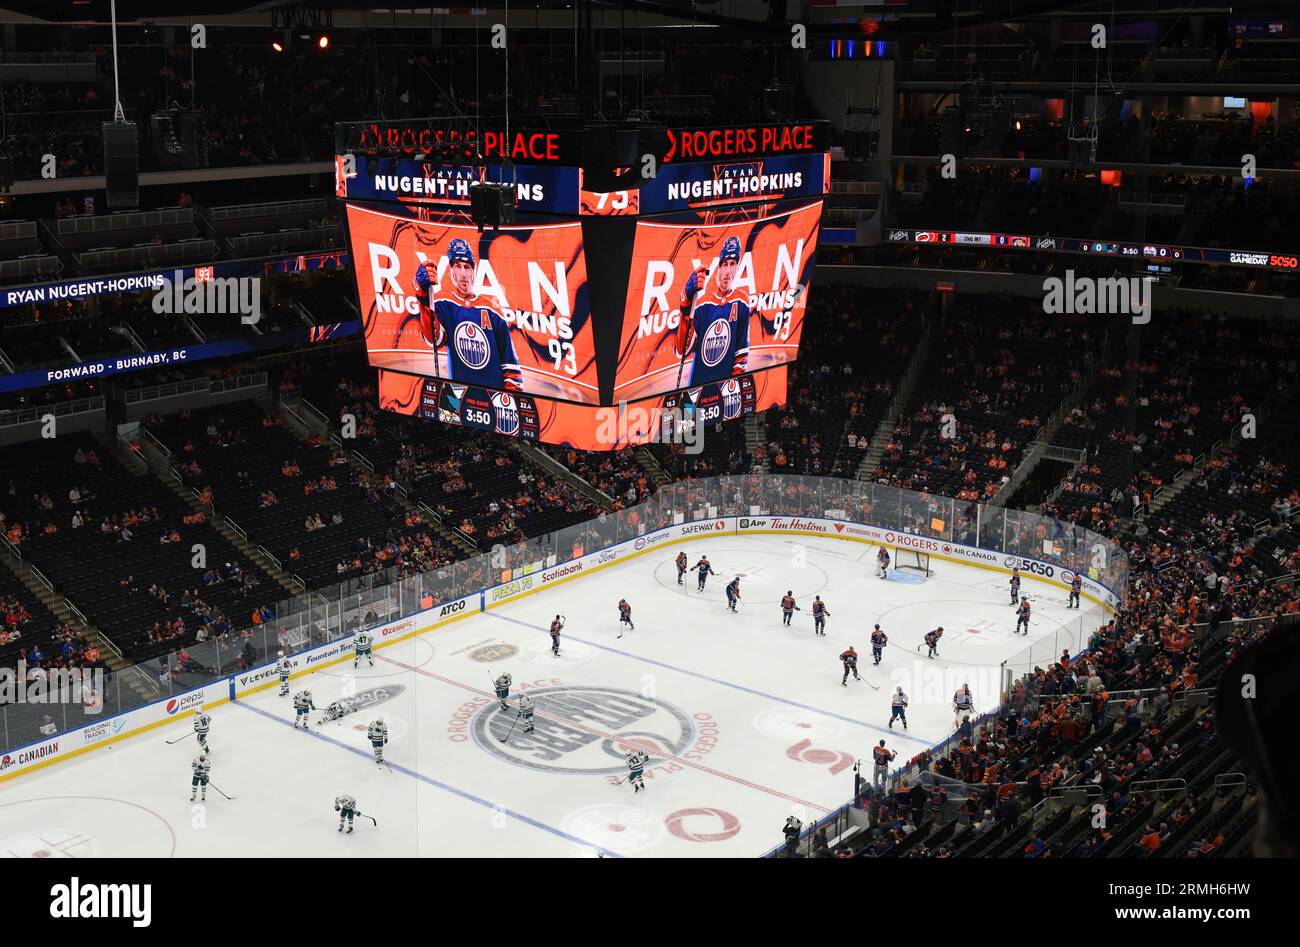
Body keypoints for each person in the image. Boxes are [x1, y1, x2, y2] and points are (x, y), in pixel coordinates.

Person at [413, 238, 522, 391]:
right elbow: (434, 340)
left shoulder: (493, 310)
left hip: (494, 397)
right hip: (456, 393)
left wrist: (512, 400)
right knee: (444, 414)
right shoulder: (443, 304)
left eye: (467, 267)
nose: (463, 274)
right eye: (458, 266)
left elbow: (511, 366)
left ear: (474, 271)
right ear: (451, 271)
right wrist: (423, 300)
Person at [674, 237, 752, 387]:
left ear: (737, 267)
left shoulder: (741, 301)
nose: (728, 271)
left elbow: (741, 352)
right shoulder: (703, 304)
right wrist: (685, 306)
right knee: (687, 412)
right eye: (725, 264)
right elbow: (681, 351)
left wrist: (733, 387)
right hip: (696, 390)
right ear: (719, 267)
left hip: (722, 392)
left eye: (733, 264)